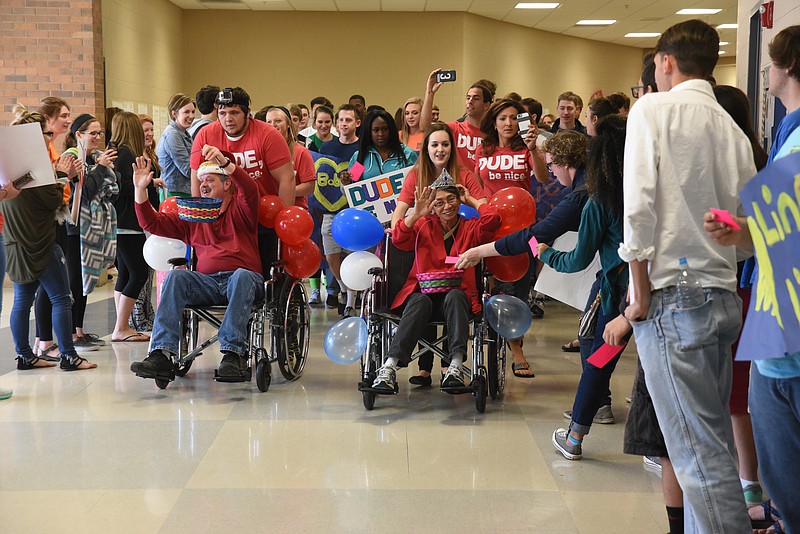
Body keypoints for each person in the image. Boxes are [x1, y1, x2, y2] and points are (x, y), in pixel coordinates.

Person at [621, 19, 757, 533]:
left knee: (699, 460)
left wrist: (638, 292)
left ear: (665, 62)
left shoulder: (653, 109)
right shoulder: (729, 126)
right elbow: (748, 232)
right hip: (722, 300)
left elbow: (639, 207)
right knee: (712, 444)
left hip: (674, 302)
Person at [706, 25, 800, 534]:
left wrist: (741, 231)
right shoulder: (786, 135)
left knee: (786, 480)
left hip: (786, 336)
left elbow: (781, 236)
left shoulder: (796, 141)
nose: (766, 75)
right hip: (776, 328)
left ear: (785, 68)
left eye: (770, 65)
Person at [130, 147, 264, 382]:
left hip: (243, 280)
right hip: (208, 283)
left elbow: (250, 190)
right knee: (176, 276)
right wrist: (140, 190)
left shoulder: (242, 209)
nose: (202, 185)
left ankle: (233, 354)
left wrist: (227, 165)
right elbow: (153, 224)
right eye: (201, 180)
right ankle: (161, 353)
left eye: (209, 180)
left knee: (242, 275)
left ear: (227, 184)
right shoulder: (194, 215)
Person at [545, 115, 629, 459]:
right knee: (654, 370)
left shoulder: (599, 200)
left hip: (618, 299)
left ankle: (575, 436)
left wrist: (546, 253)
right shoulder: (651, 193)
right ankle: (659, 449)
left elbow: (577, 260)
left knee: (598, 359)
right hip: (658, 294)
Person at [369, 177, 501, 393]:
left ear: (459, 201)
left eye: (452, 200)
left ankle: (456, 365)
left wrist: (472, 200)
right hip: (422, 296)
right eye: (439, 202)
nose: (447, 206)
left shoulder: (470, 227)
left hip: (456, 298)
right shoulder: (423, 225)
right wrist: (417, 213)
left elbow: (493, 219)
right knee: (420, 300)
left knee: (456, 296)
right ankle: (389, 366)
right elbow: (399, 239)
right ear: (432, 206)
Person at [391, 123, 487, 384]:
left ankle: (451, 365)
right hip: (426, 251)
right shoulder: (416, 176)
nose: (440, 149)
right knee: (424, 291)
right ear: (426, 149)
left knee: (454, 293)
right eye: (434, 144)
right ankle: (416, 366)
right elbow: (400, 215)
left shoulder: (464, 176)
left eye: (445, 144)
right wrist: (411, 220)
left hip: (460, 254)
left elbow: (488, 212)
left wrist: (471, 203)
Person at [5, 104, 97, 371]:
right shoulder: (34, 165)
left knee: (22, 301)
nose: (51, 138)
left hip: (16, 241)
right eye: (47, 134)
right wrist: (63, 176)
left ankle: (24, 355)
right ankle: (69, 356)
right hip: (40, 242)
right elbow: (51, 201)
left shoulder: (10, 165)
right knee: (61, 298)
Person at [190, 87, 294, 278]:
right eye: (222, 113)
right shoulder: (205, 135)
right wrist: (200, 219)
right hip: (222, 216)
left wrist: (283, 224)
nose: (228, 119)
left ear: (247, 113)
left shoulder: (268, 135)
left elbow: (286, 178)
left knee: (267, 272)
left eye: (234, 113)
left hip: (261, 214)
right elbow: (196, 180)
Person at [474, 98, 540, 378]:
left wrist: (534, 149)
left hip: (525, 227)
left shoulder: (526, 148)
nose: (509, 123)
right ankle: (511, 346)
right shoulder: (483, 149)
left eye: (514, 118)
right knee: (494, 286)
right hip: (491, 225)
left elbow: (544, 177)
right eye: (503, 118)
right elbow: (477, 185)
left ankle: (516, 340)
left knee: (522, 284)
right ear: (494, 121)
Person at [340, 109, 417, 317]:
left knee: (399, 270)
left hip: (402, 223)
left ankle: (400, 308)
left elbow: (418, 183)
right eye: (375, 130)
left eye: (384, 129)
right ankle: (372, 309)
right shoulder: (360, 156)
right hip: (370, 226)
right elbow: (351, 189)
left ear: (391, 130)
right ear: (369, 132)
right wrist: (346, 181)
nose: (380, 134)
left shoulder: (408, 155)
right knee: (373, 270)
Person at [61, 113, 118, 349]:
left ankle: (80, 330)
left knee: (84, 280)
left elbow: (114, 186)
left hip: (92, 223)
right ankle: (72, 334)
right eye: (92, 133)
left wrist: (102, 168)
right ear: (78, 135)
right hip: (74, 226)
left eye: (99, 133)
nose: (97, 137)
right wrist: (102, 168)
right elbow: (86, 192)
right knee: (75, 279)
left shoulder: (93, 157)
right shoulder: (72, 158)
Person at [110, 111, 159, 343]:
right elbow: (125, 188)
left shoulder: (120, 152)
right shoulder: (126, 154)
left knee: (127, 274)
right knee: (139, 272)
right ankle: (122, 326)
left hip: (123, 224)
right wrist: (148, 183)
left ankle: (122, 324)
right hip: (128, 224)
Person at [316, 104, 361, 310]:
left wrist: (350, 180)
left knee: (352, 255)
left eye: (348, 120)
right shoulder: (326, 148)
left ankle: (351, 301)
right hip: (330, 210)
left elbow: (361, 176)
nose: (344, 124)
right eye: (341, 120)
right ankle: (342, 287)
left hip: (353, 211)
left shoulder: (362, 149)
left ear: (357, 123)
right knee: (330, 255)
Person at [420, 69, 492, 167]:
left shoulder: (494, 133)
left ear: (486, 105)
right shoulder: (455, 128)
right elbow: (425, 127)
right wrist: (430, 92)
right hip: (458, 181)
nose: (470, 101)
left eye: (476, 98)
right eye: (468, 98)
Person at [265, 106, 315, 209]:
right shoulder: (263, 152)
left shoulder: (301, 152)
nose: (273, 125)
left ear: (288, 124)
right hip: (268, 211)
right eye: (269, 122)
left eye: (278, 121)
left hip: (294, 212)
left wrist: (285, 192)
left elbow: (310, 187)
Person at [157, 93, 196, 197]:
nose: (191, 116)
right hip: (175, 192)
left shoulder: (183, 132)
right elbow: (187, 169)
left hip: (182, 191)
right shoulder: (173, 135)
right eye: (186, 112)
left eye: (193, 111)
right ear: (174, 114)